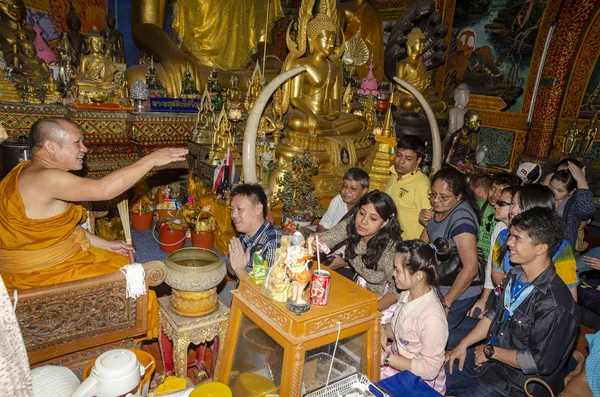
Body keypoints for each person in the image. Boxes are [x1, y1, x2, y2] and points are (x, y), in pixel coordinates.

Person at [0, 118, 187, 337]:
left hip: (39, 261)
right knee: (134, 284)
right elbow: (104, 190)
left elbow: (57, 229)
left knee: (121, 260)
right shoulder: (46, 177)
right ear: (51, 146)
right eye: (77, 142)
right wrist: (150, 160)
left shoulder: (24, 170)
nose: (84, 149)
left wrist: (104, 243)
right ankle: (118, 341)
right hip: (39, 275)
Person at [445, 208, 581, 397]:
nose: (509, 242)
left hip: (516, 384)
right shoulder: (514, 275)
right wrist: (462, 345)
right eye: (510, 236)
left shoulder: (555, 304)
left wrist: (490, 351)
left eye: (517, 238)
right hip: (489, 360)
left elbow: (538, 362)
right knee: (430, 376)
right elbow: (493, 314)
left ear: (541, 248)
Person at [309, 191, 402, 321]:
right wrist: (312, 242)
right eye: (362, 213)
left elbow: (396, 292)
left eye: (373, 218)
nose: (363, 221)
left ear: (385, 222)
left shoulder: (390, 251)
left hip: (384, 303)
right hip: (360, 290)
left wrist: (367, 310)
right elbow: (328, 238)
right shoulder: (353, 224)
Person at [419, 168, 481, 348]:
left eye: (443, 197)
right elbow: (424, 244)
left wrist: (447, 303)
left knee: (435, 338)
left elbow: (470, 269)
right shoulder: (440, 208)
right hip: (440, 283)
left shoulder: (462, 223)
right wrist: (426, 222)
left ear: (459, 196)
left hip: (457, 290)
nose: (436, 201)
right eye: (433, 194)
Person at [380, 239, 449, 395]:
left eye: (397, 270)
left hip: (420, 383)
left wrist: (386, 358)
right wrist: (381, 329)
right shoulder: (407, 293)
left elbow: (430, 370)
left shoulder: (432, 317)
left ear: (417, 275)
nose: (393, 273)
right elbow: (399, 329)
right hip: (399, 365)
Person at [491, 184, 579, 301]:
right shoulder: (504, 236)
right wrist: (510, 292)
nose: (513, 210)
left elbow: (570, 297)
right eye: (513, 203)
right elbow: (496, 271)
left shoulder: (560, 247)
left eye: (521, 205)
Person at [468, 186, 518, 319]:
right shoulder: (501, 228)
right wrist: (484, 299)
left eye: (501, 203)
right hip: (502, 291)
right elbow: (493, 264)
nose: (495, 206)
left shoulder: (528, 237)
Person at [317, 167, 369, 279]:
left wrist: (345, 262)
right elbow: (322, 225)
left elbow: (369, 255)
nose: (346, 191)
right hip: (329, 255)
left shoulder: (367, 212)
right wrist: (321, 246)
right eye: (344, 186)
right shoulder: (337, 200)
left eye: (353, 189)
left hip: (351, 266)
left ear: (364, 191)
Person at [227, 183, 282, 280]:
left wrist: (240, 269)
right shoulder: (244, 235)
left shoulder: (273, 241)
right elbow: (231, 269)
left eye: (239, 209)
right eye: (232, 209)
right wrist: (233, 263)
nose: (234, 215)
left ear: (258, 209)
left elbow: (266, 289)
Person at [385, 135, 430, 240]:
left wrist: (418, 250)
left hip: (408, 246)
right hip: (389, 240)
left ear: (418, 161)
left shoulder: (422, 184)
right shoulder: (393, 174)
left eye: (408, 158)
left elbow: (430, 223)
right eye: (399, 155)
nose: (401, 161)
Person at [547, 162, 595, 249]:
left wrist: (581, 181)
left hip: (562, 249)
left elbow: (586, 211)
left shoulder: (573, 202)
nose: (553, 192)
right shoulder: (545, 196)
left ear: (571, 191)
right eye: (551, 186)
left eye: (560, 190)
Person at [475, 173, 517, 262]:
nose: (494, 194)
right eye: (493, 188)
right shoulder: (478, 206)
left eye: (501, 191)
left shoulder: (512, 215)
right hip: (476, 257)